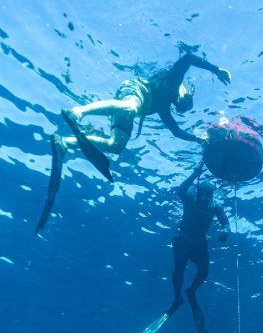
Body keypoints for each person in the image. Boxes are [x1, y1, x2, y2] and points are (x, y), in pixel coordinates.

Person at [35, 51, 232, 234]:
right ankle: (78, 112)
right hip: (133, 92)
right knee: (130, 108)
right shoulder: (173, 80)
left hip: (129, 107)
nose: (180, 104)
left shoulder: (164, 107)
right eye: (184, 101)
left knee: (115, 145)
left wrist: (196, 138)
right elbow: (188, 57)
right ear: (185, 91)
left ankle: (66, 143)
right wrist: (216, 69)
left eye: (182, 107)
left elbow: (176, 131)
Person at [135, 162, 229, 333]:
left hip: (200, 243)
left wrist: (225, 231)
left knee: (204, 273)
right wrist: (195, 173)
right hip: (183, 240)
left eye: (209, 196)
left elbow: (225, 222)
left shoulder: (215, 206)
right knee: (178, 272)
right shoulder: (190, 197)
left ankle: (191, 290)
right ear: (198, 193)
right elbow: (180, 190)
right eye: (203, 195)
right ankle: (177, 298)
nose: (205, 199)